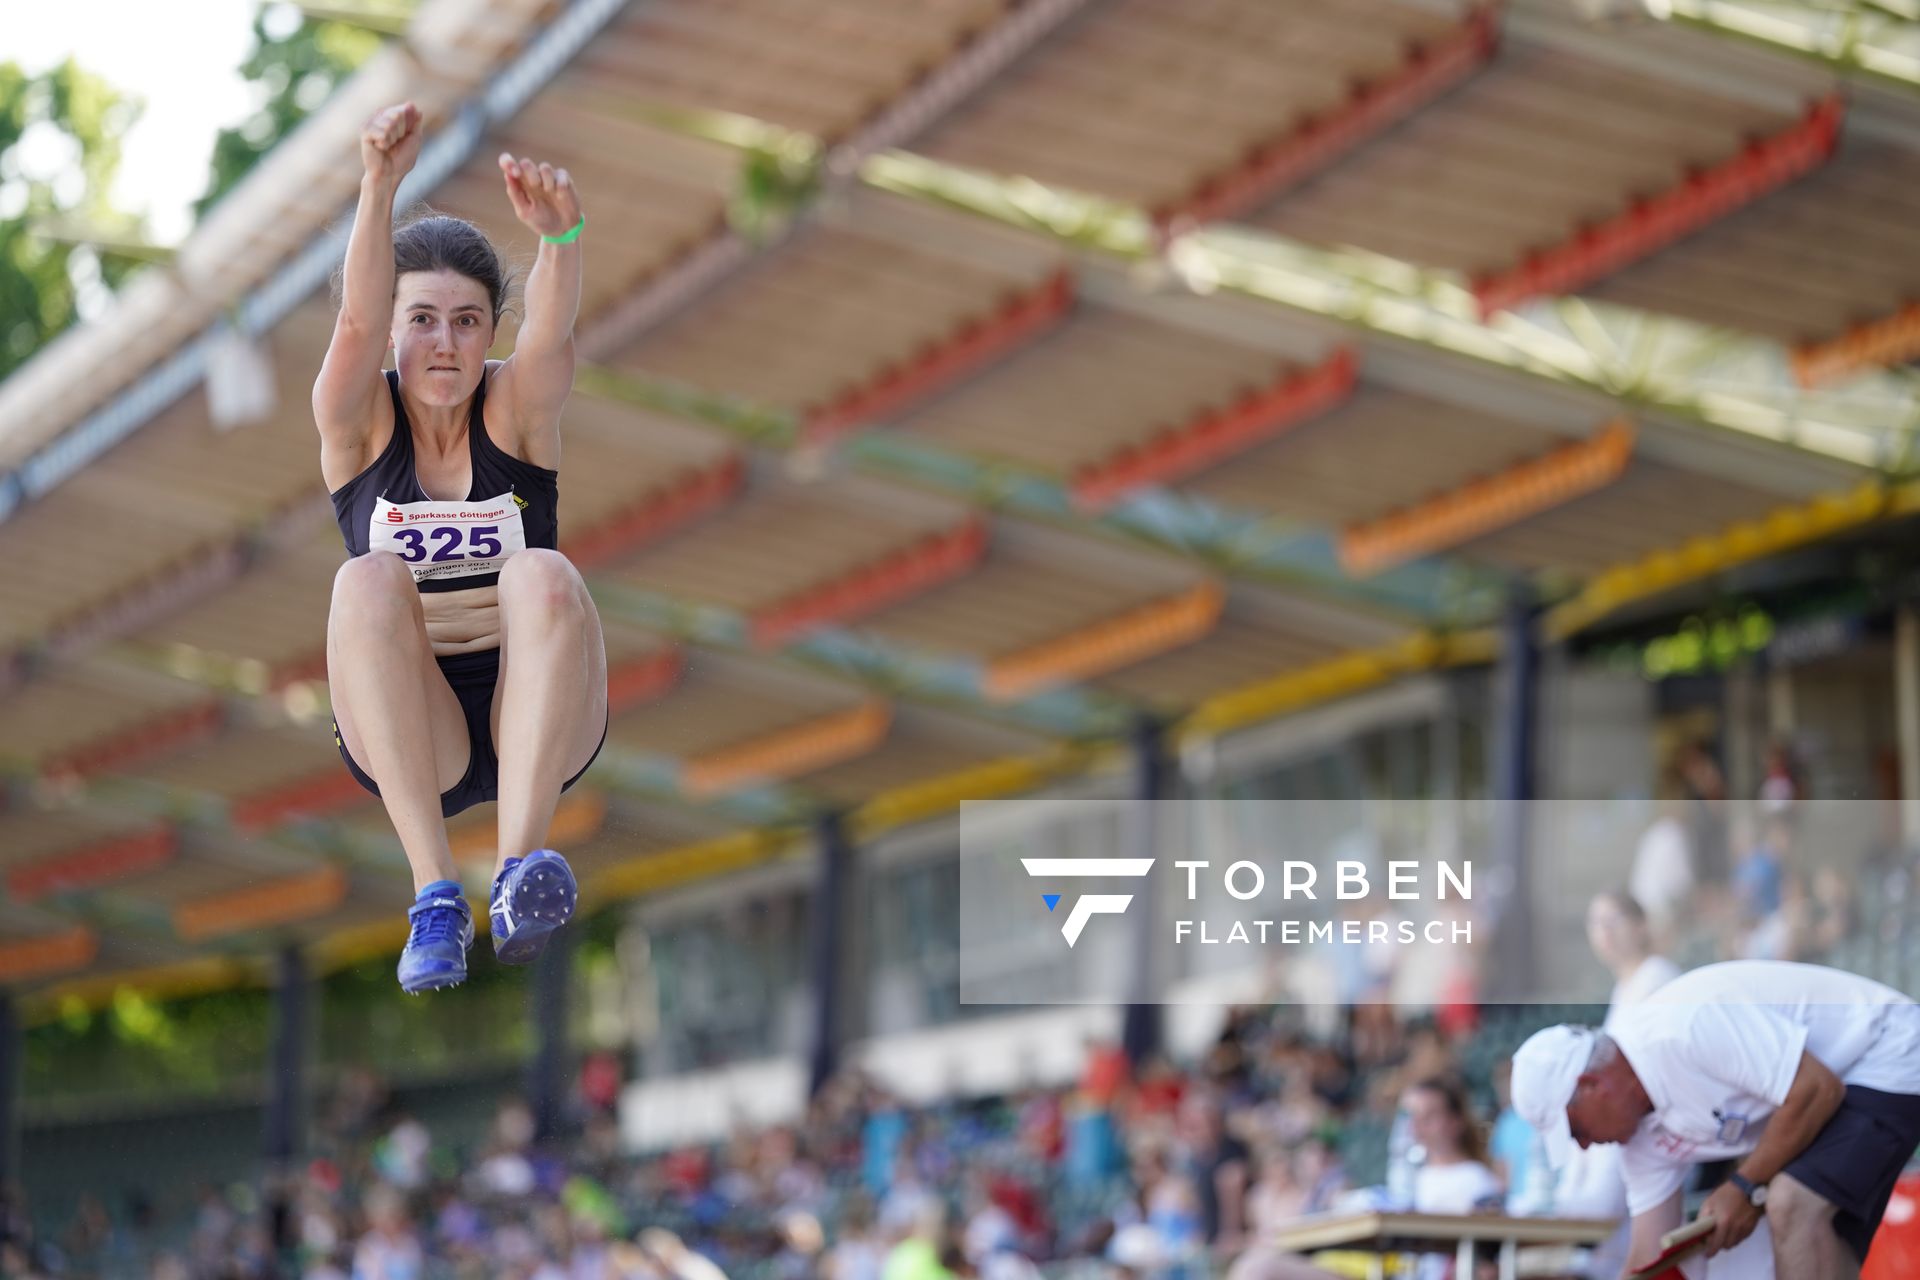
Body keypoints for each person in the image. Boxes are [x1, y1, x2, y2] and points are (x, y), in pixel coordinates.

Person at [316, 101, 607, 992]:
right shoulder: (358, 424)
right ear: (395, 331)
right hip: (419, 731)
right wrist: (379, 181)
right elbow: (356, 327)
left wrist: (560, 241)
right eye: (424, 319)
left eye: (468, 322)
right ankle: (434, 895)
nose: (444, 343)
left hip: (539, 718)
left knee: (545, 572)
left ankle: (520, 870)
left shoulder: (513, 413)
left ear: (489, 334)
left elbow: (550, 336)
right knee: (364, 583)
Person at [1511, 960, 1920, 1279]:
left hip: (1886, 1053)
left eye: (1575, 1129)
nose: (1582, 1145)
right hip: (1832, 1093)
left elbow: (1816, 1089)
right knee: (1773, 1253)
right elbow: (1648, 1255)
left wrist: (1743, 1186)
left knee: (1791, 1205)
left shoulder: (1684, 1027)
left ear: (1592, 1084)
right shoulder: (1635, 1135)